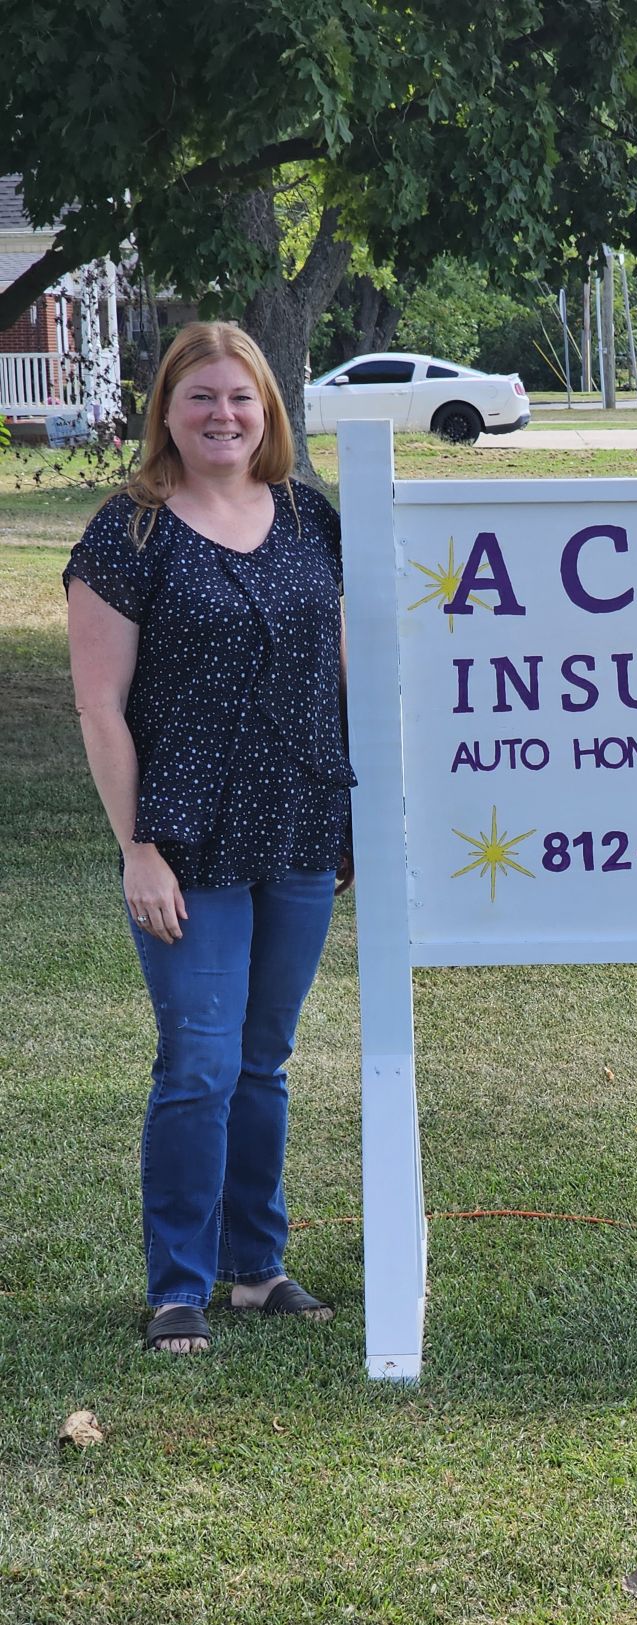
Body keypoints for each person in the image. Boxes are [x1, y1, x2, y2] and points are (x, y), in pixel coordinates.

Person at [66, 321, 355, 1355]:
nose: (222, 415)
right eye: (200, 397)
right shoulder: (129, 532)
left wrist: (359, 814)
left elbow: (344, 666)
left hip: (301, 824)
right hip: (184, 840)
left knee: (263, 1059)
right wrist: (137, 849)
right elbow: (100, 707)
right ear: (168, 414)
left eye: (240, 397)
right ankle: (178, 1287)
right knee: (198, 1061)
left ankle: (256, 1269)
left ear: (267, 409)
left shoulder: (309, 519)